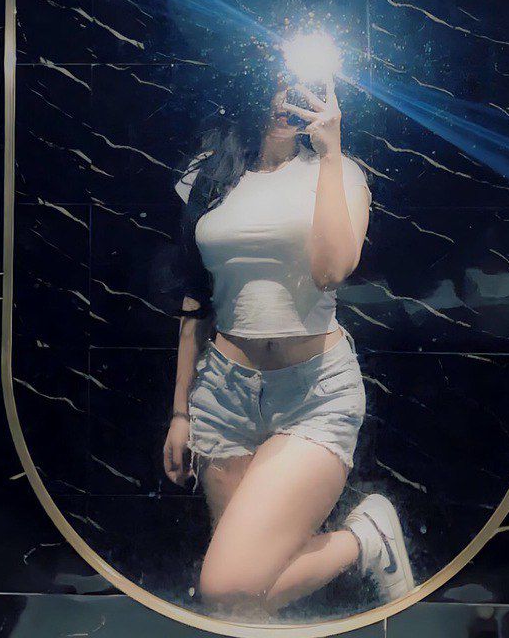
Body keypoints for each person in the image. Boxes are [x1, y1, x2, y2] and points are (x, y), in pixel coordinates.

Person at [162, 65, 414, 619]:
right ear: (248, 86)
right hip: (221, 396)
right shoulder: (206, 175)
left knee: (227, 588)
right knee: (244, 610)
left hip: (313, 394)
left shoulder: (340, 172)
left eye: (297, 88)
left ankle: (365, 540)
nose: (285, 100)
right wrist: (180, 411)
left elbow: (331, 271)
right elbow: (195, 299)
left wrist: (330, 152)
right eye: (274, 84)